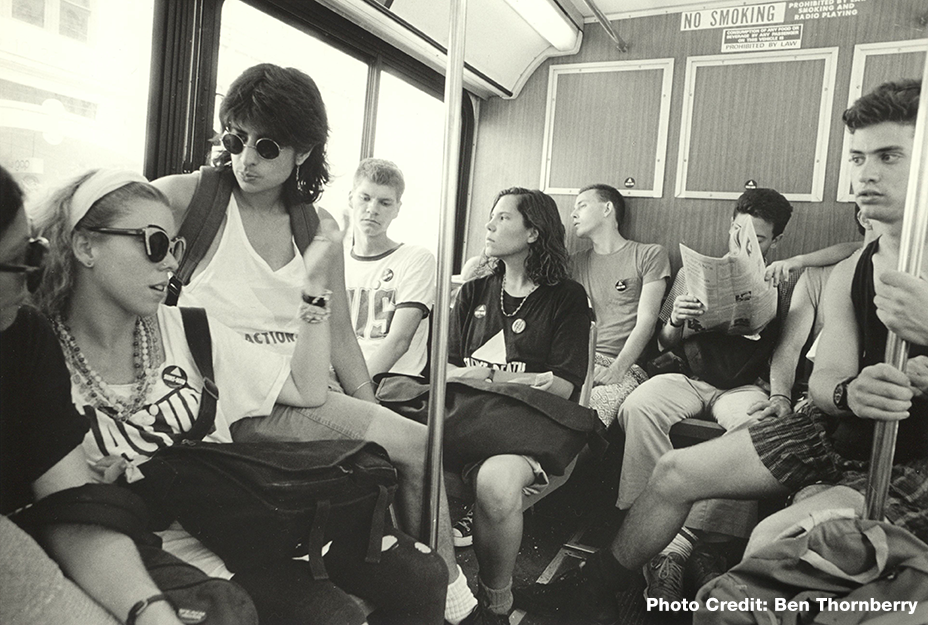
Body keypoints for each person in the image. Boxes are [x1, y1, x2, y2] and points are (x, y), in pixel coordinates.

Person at [515, 79, 927, 625]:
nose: (867, 174)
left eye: (890, 155)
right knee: (675, 470)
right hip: (836, 430)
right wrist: (851, 391)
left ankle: (705, 554)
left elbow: (792, 348)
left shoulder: (809, 273)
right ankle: (596, 591)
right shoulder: (856, 270)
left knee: (770, 541)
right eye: (857, 157)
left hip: (908, 455)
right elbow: (829, 379)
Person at [32, 169, 447, 625]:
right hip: (140, 550)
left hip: (230, 526)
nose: (170, 263)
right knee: (328, 616)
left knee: (421, 573)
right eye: (152, 243)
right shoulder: (33, 358)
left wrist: (312, 291)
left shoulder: (189, 332)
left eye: (175, 248)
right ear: (85, 245)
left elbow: (307, 390)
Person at [152, 64, 482, 623]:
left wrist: (367, 414)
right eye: (235, 139)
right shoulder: (189, 202)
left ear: (302, 153)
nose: (246, 159)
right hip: (226, 400)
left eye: (267, 145)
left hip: (299, 391)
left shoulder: (314, 224)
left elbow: (337, 334)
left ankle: (440, 590)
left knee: (415, 446)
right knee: (410, 446)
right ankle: (454, 603)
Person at [0, 165, 183, 625]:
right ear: (85, 247)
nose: (29, 282)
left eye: (35, 253)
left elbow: (71, 509)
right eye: (17, 260)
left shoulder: (25, 338)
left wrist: (149, 611)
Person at [610, 188, 795, 600]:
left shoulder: (789, 278)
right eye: (737, 232)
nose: (742, 243)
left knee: (755, 428)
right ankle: (649, 525)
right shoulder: (695, 273)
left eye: (758, 239)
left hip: (747, 385)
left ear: (775, 241)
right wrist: (677, 318)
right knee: (639, 405)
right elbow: (665, 340)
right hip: (690, 376)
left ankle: (696, 542)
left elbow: (789, 346)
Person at [447, 188, 591, 622]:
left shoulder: (566, 297)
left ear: (533, 231)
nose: (489, 226)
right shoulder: (473, 292)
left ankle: (496, 603)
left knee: (495, 482)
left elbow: (562, 387)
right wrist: (523, 378)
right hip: (468, 421)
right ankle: (440, 585)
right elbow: (445, 371)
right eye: (490, 217)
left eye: (503, 218)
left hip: (527, 429)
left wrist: (487, 375)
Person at [569, 183, 670, 427]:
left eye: (582, 206)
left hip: (623, 366)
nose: (573, 214)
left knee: (587, 412)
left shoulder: (649, 255)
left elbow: (646, 321)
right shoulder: (573, 263)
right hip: (575, 363)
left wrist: (617, 369)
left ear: (607, 209)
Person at [344, 158, 436, 377]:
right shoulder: (335, 259)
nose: (372, 210)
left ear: (397, 209)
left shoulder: (415, 258)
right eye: (365, 198)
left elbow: (399, 341)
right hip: (336, 379)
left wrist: (355, 391)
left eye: (384, 203)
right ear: (351, 199)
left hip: (392, 382)